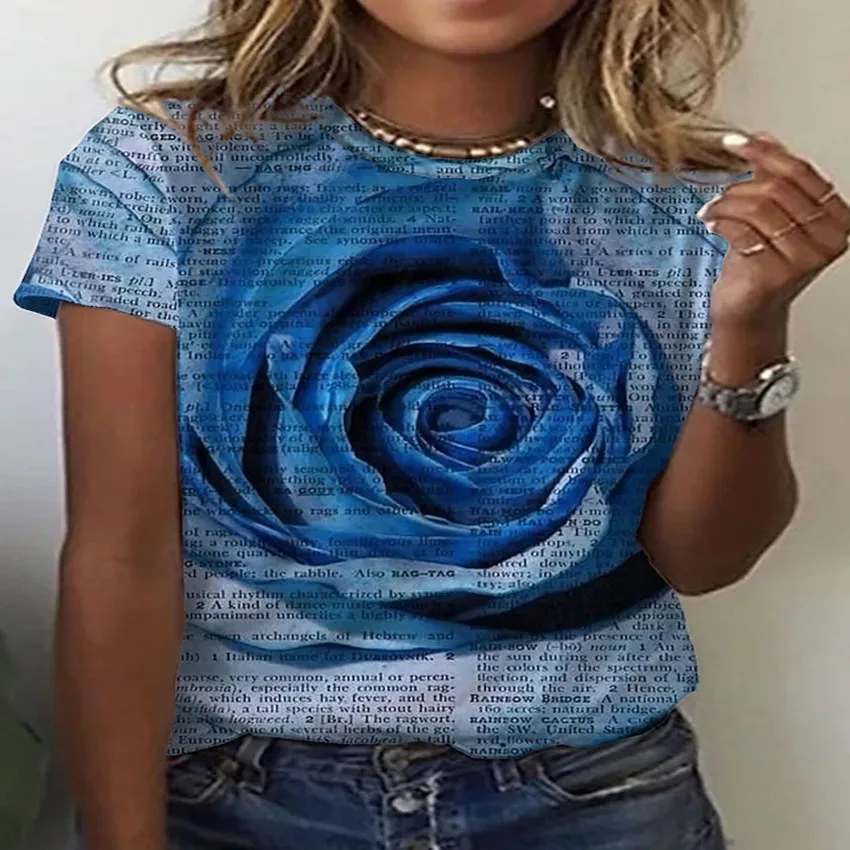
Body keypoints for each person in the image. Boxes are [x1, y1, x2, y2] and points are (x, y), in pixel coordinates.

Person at [13, 0, 850, 848]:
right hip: (237, 801)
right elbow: (120, 558)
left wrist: (752, 325)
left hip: (595, 796)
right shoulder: (163, 169)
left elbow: (702, 560)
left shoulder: (695, 201)